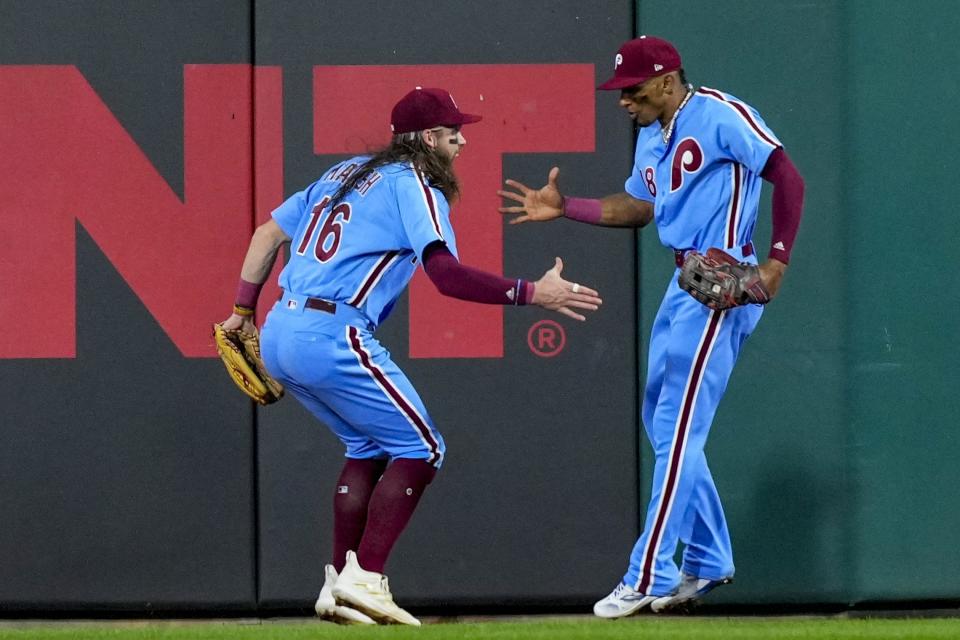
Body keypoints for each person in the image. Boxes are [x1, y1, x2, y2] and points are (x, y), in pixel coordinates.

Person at [219, 86, 602, 626]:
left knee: (368, 444)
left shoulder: (343, 172)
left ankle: (339, 583)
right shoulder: (416, 185)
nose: (461, 142)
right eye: (452, 134)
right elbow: (446, 276)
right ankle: (367, 579)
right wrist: (532, 292)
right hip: (331, 331)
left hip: (281, 326)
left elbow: (267, 233)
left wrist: (241, 310)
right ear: (427, 139)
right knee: (423, 448)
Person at [498, 36, 804, 616]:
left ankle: (649, 573)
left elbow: (788, 176)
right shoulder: (650, 134)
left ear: (667, 81)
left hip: (723, 279)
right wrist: (568, 208)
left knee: (678, 424)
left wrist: (777, 262)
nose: (623, 101)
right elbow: (640, 208)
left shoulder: (720, 114)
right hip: (682, 280)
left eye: (632, 90)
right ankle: (708, 558)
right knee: (663, 421)